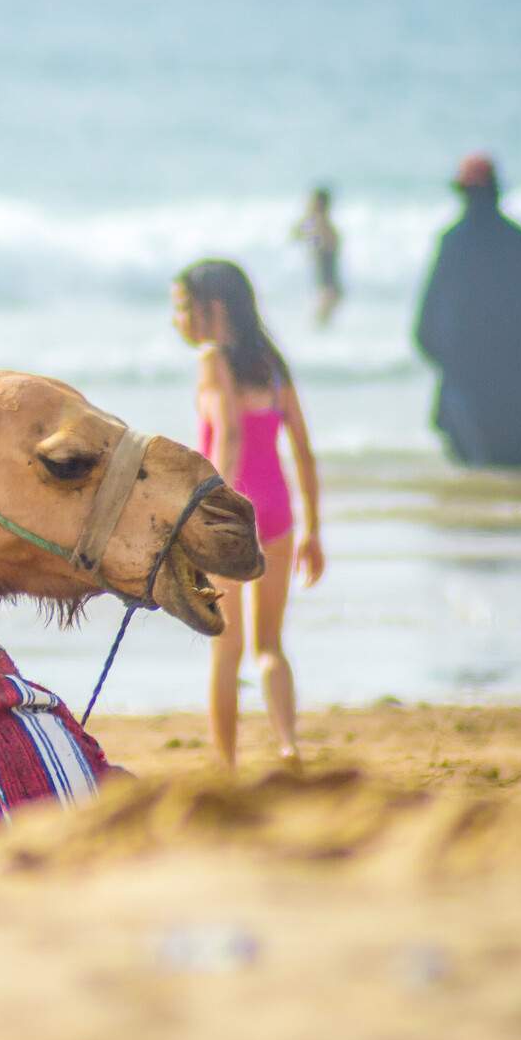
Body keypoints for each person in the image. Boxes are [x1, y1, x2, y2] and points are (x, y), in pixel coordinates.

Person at [171, 259, 324, 768]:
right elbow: (302, 448)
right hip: (278, 511)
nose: (178, 319)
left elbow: (229, 434)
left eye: (182, 307)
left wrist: (211, 508)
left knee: (225, 649)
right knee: (270, 646)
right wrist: (314, 532)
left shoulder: (212, 360)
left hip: (235, 512)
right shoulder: (272, 363)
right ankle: (287, 744)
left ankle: (227, 766)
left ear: (212, 309)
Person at [415, 154, 521, 469]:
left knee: (473, 473)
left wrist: (449, 363)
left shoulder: (452, 243)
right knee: (510, 471)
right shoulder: (517, 241)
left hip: (464, 381)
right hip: (516, 381)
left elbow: (424, 328)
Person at [291, 185, 343, 326]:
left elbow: (297, 234)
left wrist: (308, 219)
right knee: (321, 328)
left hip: (328, 288)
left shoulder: (323, 227)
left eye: (312, 202)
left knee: (320, 327)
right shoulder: (319, 225)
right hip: (327, 287)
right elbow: (296, 233)